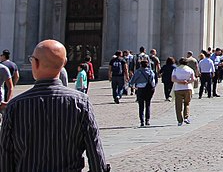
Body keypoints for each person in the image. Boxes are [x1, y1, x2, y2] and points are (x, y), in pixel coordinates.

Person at [0, 40, 109, 171]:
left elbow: (5, 156)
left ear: (36, 63)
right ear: (64, 63)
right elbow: (96, 156)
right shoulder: (80, 103)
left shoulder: (15, 106)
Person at [129, 56, 157, 127]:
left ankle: (142, 121)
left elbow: (132, 80)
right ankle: (147, 120)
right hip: (149, 89)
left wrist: (131, 85)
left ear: (141, 65)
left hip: (140, 89)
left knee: (141, 106)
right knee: (148, 104)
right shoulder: (150, 72)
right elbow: (153, 81)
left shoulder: (138, 72)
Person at [171, 57, 195, 126]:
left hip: (178, 88)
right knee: (187, 103)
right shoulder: (190, 69)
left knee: (178, 105)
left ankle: (179, 120)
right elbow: (193, 79)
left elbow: (173, 79)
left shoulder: (176, 70)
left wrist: (180, 81)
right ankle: (186, 117)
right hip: (188, 88)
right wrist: (187, 81)